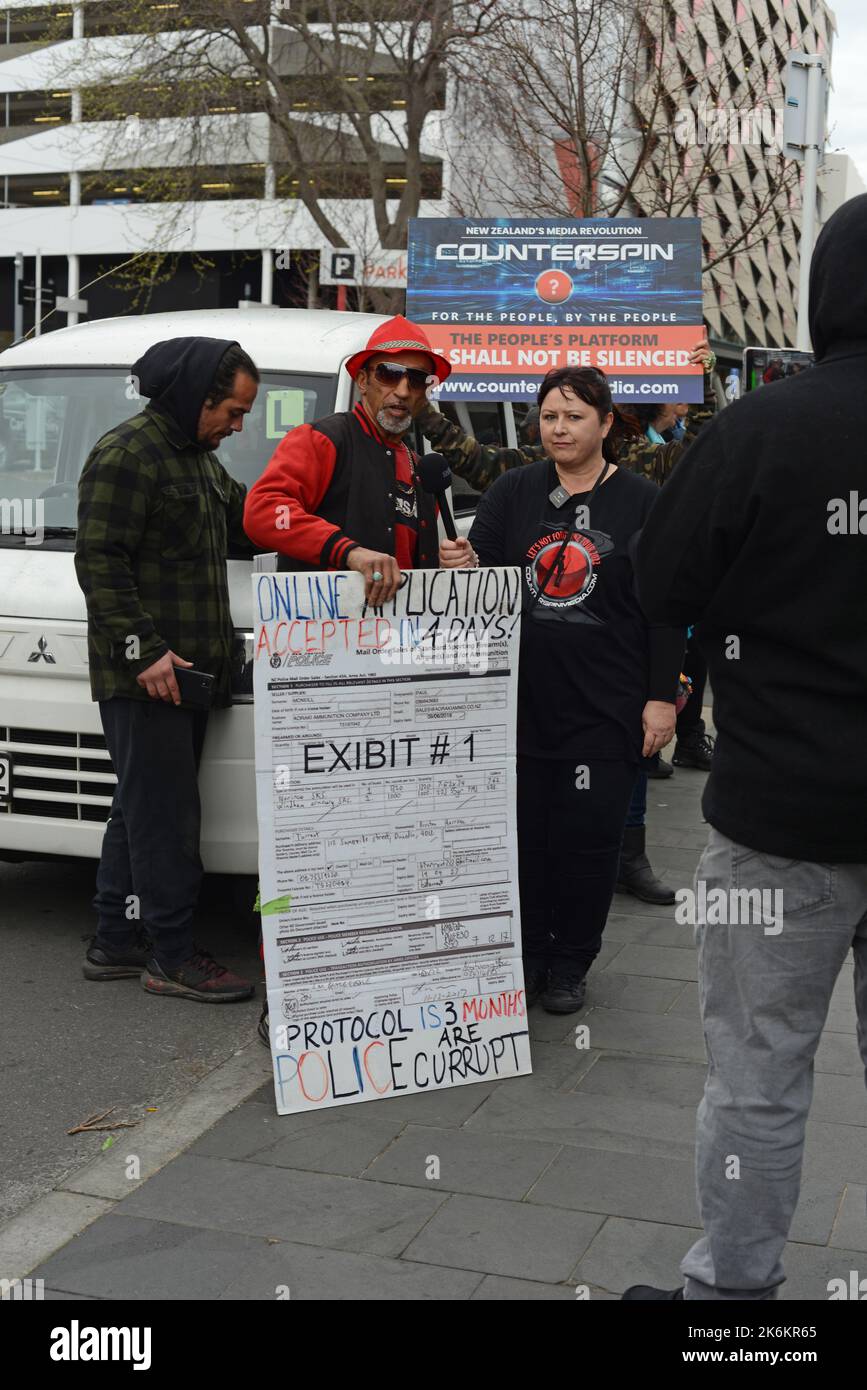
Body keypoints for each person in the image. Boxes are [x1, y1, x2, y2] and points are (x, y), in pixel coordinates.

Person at [625, 192, 867, 1301]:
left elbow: (659, 582)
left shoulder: (761, 428)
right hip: (785, 820)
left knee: (758, 1074)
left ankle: (730, 1297)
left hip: (778, 819)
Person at [439, 366, 683, 1014]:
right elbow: (479, 579)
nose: (559, 428)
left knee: (587, 844)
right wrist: (463, 563)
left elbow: (664, 610)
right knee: (523, 844)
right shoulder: (513, 492)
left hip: (604, 712)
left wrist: (661, 698)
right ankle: (524, 957)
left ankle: (571, 961)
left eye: (574, 416)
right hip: (517, 708)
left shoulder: (639, 501)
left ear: (606, 424)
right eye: (549, 416)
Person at [75, 338, 259, 1003]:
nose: (237, 426)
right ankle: (174, 957)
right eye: (233, 411)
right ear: (197, 396)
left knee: (139, 808)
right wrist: (144, 651)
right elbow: (99, 563)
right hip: (148, 675)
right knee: (167, 819)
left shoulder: (201, 463)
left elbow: (254, 524)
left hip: (191, 674)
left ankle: (115, 942)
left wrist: (331, 534)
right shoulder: (128, 455)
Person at [243, 315, 450, 599]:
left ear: (425, 393)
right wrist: (349, 552)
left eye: (416, 380)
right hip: (327, 634)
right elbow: (262, 513)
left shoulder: (420, 466)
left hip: (401, 637)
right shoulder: (322, 440)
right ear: (363, 381)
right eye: (388, 374)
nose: (402, 391)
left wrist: (454, 564)